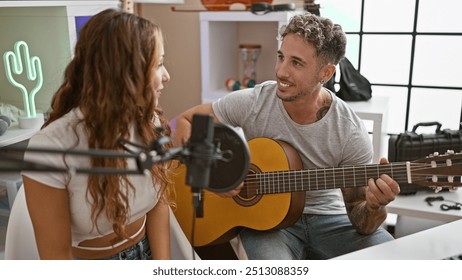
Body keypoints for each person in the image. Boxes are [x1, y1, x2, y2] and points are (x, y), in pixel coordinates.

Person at [172, 13, 400, 259]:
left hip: (329, 220)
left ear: (326, 73)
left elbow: (362, 223)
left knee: (390, 256)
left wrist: (376, 207)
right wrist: (208, 173)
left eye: (296, 63)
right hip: (265, 224)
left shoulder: (349, 131)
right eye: (281, 57)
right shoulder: (255, 102)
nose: (281, 71)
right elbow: (181, 122)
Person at [21, 9, 174, 260]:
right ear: (124, 74)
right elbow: (56, 258)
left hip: (147, 251)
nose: (166, 76)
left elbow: (159, 203)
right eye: (157, 65)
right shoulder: (51, 148)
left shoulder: (149, 122)